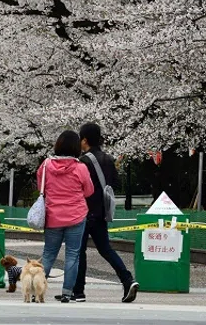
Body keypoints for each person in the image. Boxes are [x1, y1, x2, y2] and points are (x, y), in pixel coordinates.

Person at [75, 122, 138, 303]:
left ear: (84, 140)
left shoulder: (83, 161)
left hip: (85, 212)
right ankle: (127, 279)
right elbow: (116, 185)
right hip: (102, 212)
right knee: (106, 249)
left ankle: (78, 291)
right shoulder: (109, 159)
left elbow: (80, 187)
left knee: (79, 251)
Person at [36, 130, 93, 303]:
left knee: (48, 255)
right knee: (73, 255)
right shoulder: (80, 168)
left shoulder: (46, 165)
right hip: (76, 216)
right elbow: (89, 191)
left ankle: (36, 290)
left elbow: (41, 187)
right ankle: (67, 293)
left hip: (53, 216)